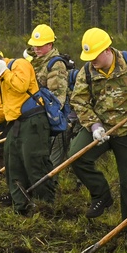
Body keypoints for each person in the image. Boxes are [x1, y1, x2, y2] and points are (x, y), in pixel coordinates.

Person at [68, 28, 127, 238]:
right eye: (88, 57)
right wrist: (94, 126)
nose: (91, 60)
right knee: (77, 156)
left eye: (94, 56)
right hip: (101, 128)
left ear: (107, 50)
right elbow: (79, 101)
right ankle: (101, 195)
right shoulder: (86, 72)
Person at [0, 44, 56, 215]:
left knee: (34, 163)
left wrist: (4, 72)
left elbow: (21, 86)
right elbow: (7, 110)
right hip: (16, 125)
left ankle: (46, 206)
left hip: (34, 122)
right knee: (12, 164)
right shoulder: (1, 79)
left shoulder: (20, 64)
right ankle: (21, 207)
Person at [27, 24, 71, 170]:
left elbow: (57, 100)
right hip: (37, 116)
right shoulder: (34, 62)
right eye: (34, 45)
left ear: (50, 44)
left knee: (52, 161)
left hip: (53, 120)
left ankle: (52, 187)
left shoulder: (56, 64)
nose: (36, 49)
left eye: (40, 45)